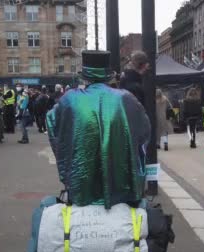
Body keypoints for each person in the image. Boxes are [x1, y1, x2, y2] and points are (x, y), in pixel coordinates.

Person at [47, 50, 151, 209]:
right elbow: (143, 131)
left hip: (81, 186)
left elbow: (52, 122)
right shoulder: (125, 98)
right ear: (109, 75)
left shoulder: (70, 99)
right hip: (120, 186)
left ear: (85, 76)